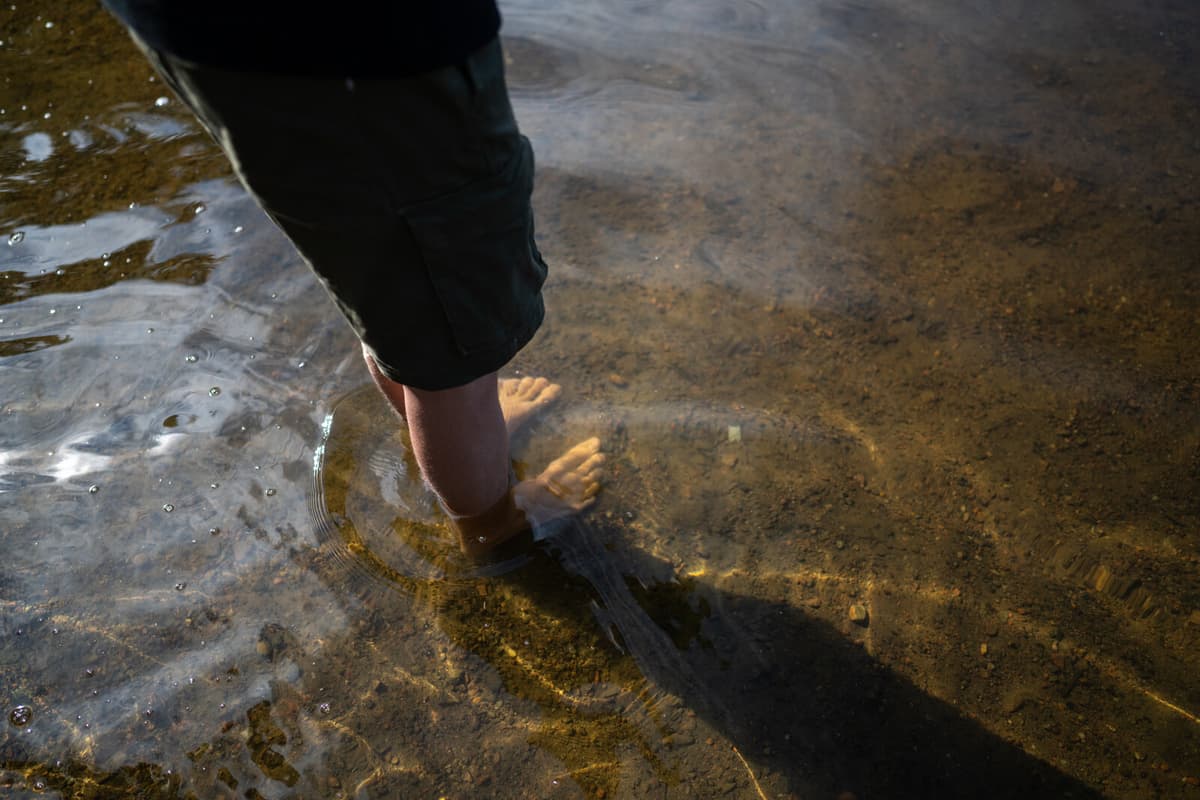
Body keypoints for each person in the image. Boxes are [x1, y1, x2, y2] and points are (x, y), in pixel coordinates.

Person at [102, 2, 603, 559]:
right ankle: (494, 524)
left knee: (376, 262)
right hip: (365, 52)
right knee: (454, 332)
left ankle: (451, 434)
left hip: (210, 40)